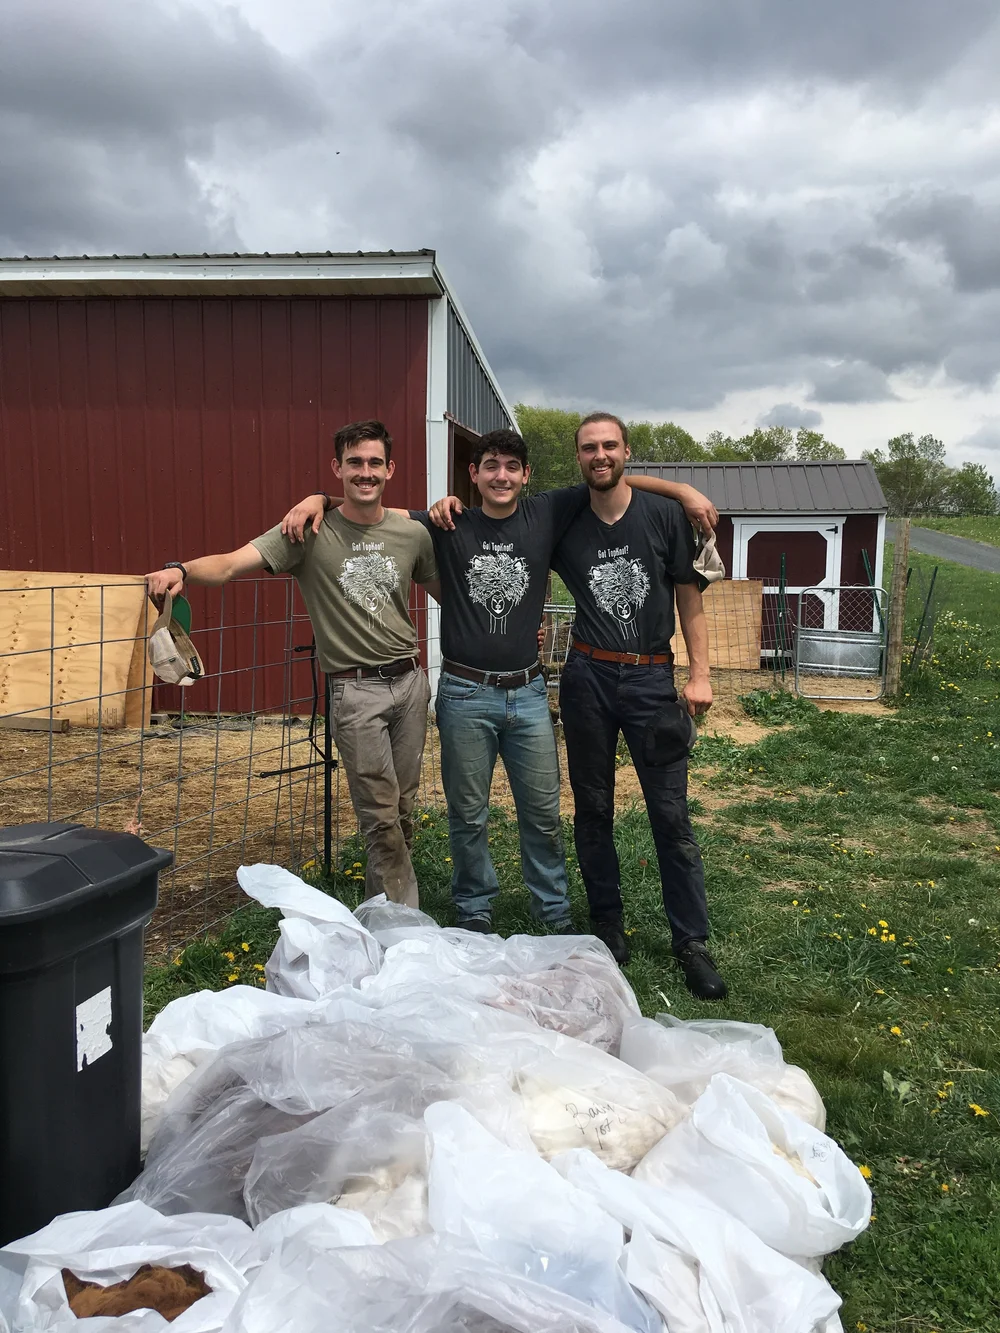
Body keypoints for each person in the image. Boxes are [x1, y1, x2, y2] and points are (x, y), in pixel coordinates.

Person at [281, 428, 718, 939]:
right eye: (491, 466)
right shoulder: (448, 522)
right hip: (465, 692)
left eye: (512, 467)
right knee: (467, 813)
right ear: (474, 475)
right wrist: (320, 498)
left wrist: (685, 492)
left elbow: (609, 478)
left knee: (543, 810)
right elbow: (373, 505)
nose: (501, 475)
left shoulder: (546, 512)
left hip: (529, 691)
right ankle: (474, 905)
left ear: (526, 475)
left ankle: (552, 908)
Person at [143, 419, 440, 908]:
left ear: (390, 468)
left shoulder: (412, 533)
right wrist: (182, 569)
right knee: (380, 815)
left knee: (402, 808)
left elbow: (448, 594)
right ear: (337, 468)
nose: (364, 473)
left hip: (409, 683)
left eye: (373, 463)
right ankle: (401, 925)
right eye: (354, 463)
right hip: (355, 691)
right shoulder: (306, 531)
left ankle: (383, 905)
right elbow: (233, 562)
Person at [551, 411, 727, 1000]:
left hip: (653, 680)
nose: (599, 456)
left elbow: (689, 597)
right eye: (588, 448)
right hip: (587, 678)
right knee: (593, 808)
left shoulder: (663, 517)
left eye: (609, 446)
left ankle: (691, 942)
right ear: (577, 457)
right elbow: (497, 514)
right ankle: (608, 923)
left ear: (627, 451)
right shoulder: (566, 514)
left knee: (670, 816)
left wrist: (700, 674)